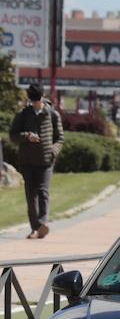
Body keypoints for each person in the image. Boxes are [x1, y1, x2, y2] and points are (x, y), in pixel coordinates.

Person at [9, 84, 64, 240]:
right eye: (32, 100)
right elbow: (13, 136)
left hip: (46, 161)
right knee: (31, 196)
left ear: (42, 96)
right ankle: (35, 228)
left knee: (43, 192)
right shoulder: (23, 114)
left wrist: (53, 151)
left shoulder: (52, 114)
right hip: (27, 161)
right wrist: (26, 136)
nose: (35, 103)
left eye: (36, 99)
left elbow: (60, 138)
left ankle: (42, 224)